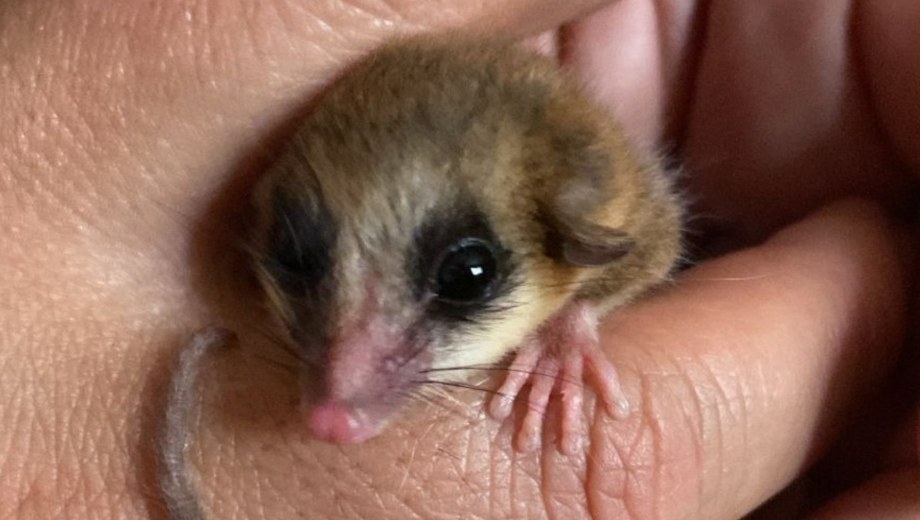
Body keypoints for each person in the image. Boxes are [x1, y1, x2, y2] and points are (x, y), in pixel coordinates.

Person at [1, 1, 916, 518]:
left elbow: (651, 240)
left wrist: (576, 320)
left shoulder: (599, 211)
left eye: (465, 278)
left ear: (567, 244)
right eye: (302, 260)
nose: (338, 398)